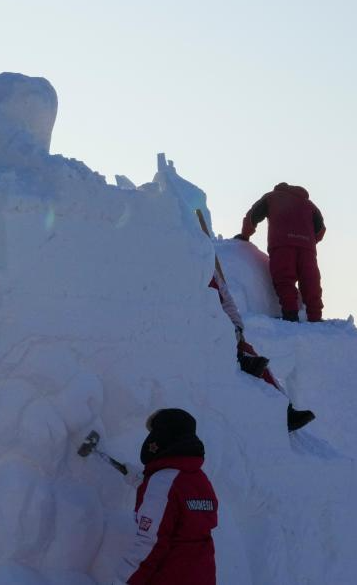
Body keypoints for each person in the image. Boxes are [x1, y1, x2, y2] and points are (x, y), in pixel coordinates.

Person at [113, 409, 218, 585]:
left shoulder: (163, 484)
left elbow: (149, 543)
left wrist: (123, 581)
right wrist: (143, 481)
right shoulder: (200, 480)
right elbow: (175, 502)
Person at [208, 267, 315, 431]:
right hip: (205, 332)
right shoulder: (186, 264)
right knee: (240, 359)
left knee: (249, 353)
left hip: (225, 331)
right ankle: (243, 365)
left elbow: (227, 300)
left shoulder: (210, 267)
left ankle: (285, 409)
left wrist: (237, 326)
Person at [236, 183, 326, 322]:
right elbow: (320, 230)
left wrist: (245, 235)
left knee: (284, 278)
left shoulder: (272, 197)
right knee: (310, 280)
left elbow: (253, 216)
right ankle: (315, 317)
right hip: (307, 248)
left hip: (282, 245)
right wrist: (307, 241)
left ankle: (290, 315)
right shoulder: (310, 205)